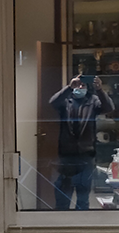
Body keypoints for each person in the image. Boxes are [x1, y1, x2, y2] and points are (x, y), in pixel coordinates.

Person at [49, 76, 114, 210]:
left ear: (87, 87)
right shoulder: (66, 100)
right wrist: (69, 87)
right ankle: (62, 220)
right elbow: (53, 102)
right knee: (63, 194)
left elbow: (108, 107)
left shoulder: (93, 100)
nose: (80, 87)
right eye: (78, 85)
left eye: (83, 85)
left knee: (83, 196)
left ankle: (82, 219)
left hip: (86, 154)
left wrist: (99, 89)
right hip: (66, 154)